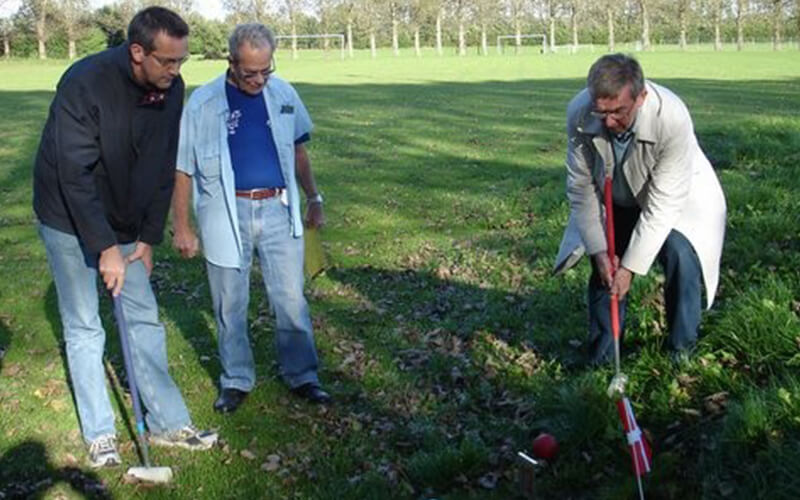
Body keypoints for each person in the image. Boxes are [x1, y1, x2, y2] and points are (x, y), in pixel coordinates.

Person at [33, 7, 217, 468]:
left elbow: (160, 164)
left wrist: (146, 238)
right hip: (66, 214)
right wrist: (104, 248)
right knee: (84, 326)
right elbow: (74, 175)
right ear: (138, 52)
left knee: (143, 317)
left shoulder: (170, 89)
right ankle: (100, 434)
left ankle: (168, 421)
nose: (176, 72)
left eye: (181, 62)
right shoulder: (84, 83)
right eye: (167, 62)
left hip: (124, 216)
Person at [172, 23, 331, 413]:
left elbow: (298, 152)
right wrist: (182, 226)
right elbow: (182, 168)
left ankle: (303, 375)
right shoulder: (203, 102)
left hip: (278, 209)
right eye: (249, 72)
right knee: (229, 302)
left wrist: (314, 197)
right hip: (226, 213)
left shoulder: (283, 93)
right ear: (231, 63)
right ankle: (236, 380)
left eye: (266, 70)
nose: (259, 79)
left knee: (291, 298)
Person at [554, 53, 726, 364]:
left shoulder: (671, 117)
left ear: (641, 97)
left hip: (676, 198)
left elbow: (663, 204)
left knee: (680, 254)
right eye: (601, 112)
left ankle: (681, 350)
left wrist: (631, 269)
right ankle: (603, 356)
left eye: (618, 112)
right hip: (616, 193)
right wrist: (600, 252)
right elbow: (582, 189)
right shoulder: (580, 114)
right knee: (604, 266)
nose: (608, 122)